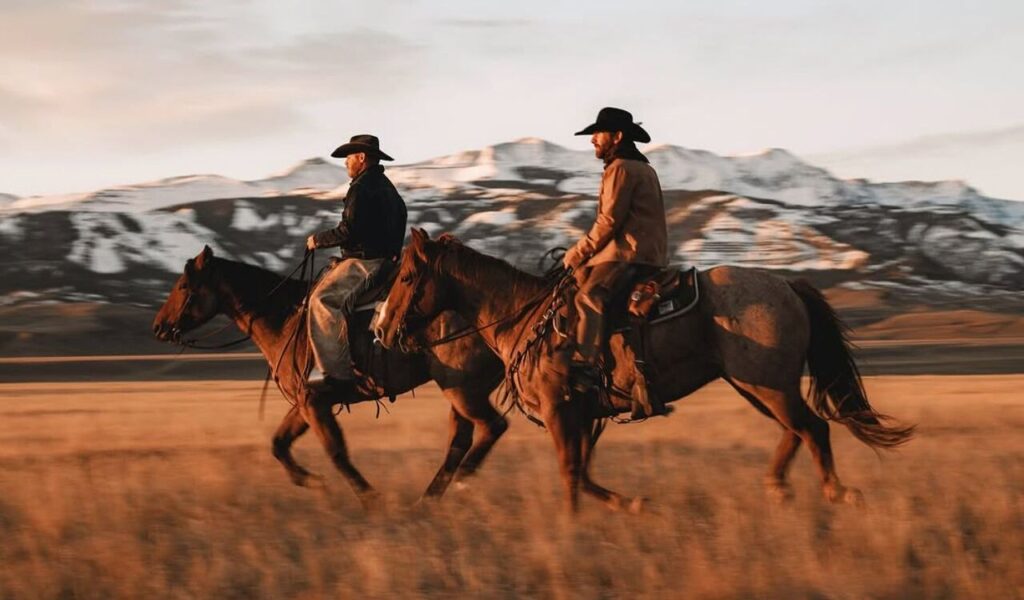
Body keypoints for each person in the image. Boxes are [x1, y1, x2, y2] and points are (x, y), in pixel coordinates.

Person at [562, 107, 669, 417]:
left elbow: (609, 222)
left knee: (589, 296)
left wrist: (577, 253)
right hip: (647, 252)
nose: (593, 139)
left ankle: (585, 369)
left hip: (630, 254)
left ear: (617, 137)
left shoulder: (621, 168)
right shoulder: (642, 167)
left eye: (598, 133)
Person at [305, 134, 407, 387]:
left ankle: (336, 373)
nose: (345, 164)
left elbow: (349, 230)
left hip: (365, 262)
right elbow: (401, 218)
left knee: (322, 301)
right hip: (387, 260)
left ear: (361, 158)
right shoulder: (387, 186)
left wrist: (317, 240)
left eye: (349, 158)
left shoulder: (361, 188)